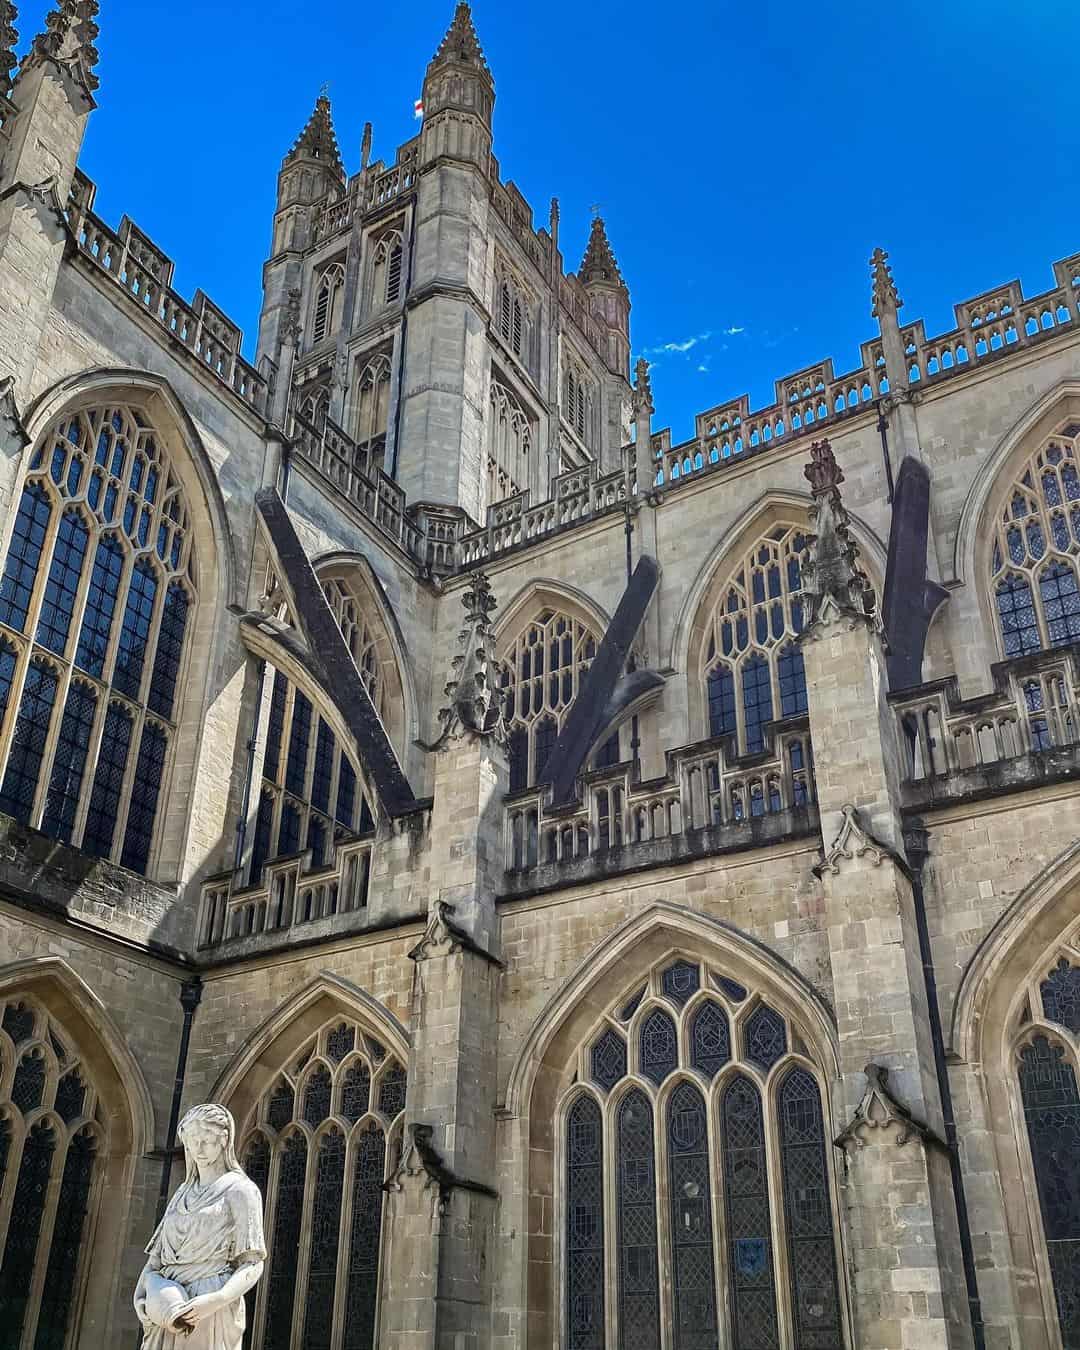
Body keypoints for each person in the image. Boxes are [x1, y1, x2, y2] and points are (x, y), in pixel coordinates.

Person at [133, 1103, 265, 1348]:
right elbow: (156, 1260)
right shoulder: (182, 1193)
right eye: (193, 1141)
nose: (199, 1148)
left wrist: (218, 1299)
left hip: (209, 1304)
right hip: (166, 1304)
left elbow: (252, 1262)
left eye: (208, 1140)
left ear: (224, 1141)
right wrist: (140, 1296)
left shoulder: (241, 1191)